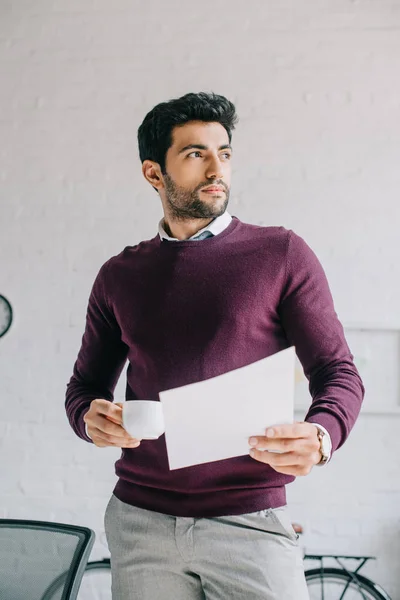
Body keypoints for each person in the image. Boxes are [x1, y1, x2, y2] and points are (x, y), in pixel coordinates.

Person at [65, 91, 364, 599]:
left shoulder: (282, 253)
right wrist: (88, 420)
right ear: (154, 174)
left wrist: (322, 435)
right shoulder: (119, 275)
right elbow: (85, 388)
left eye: (223, 153)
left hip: (250, 520)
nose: (215, 169)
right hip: (141, 522)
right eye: (195, 154)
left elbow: (338, 371)